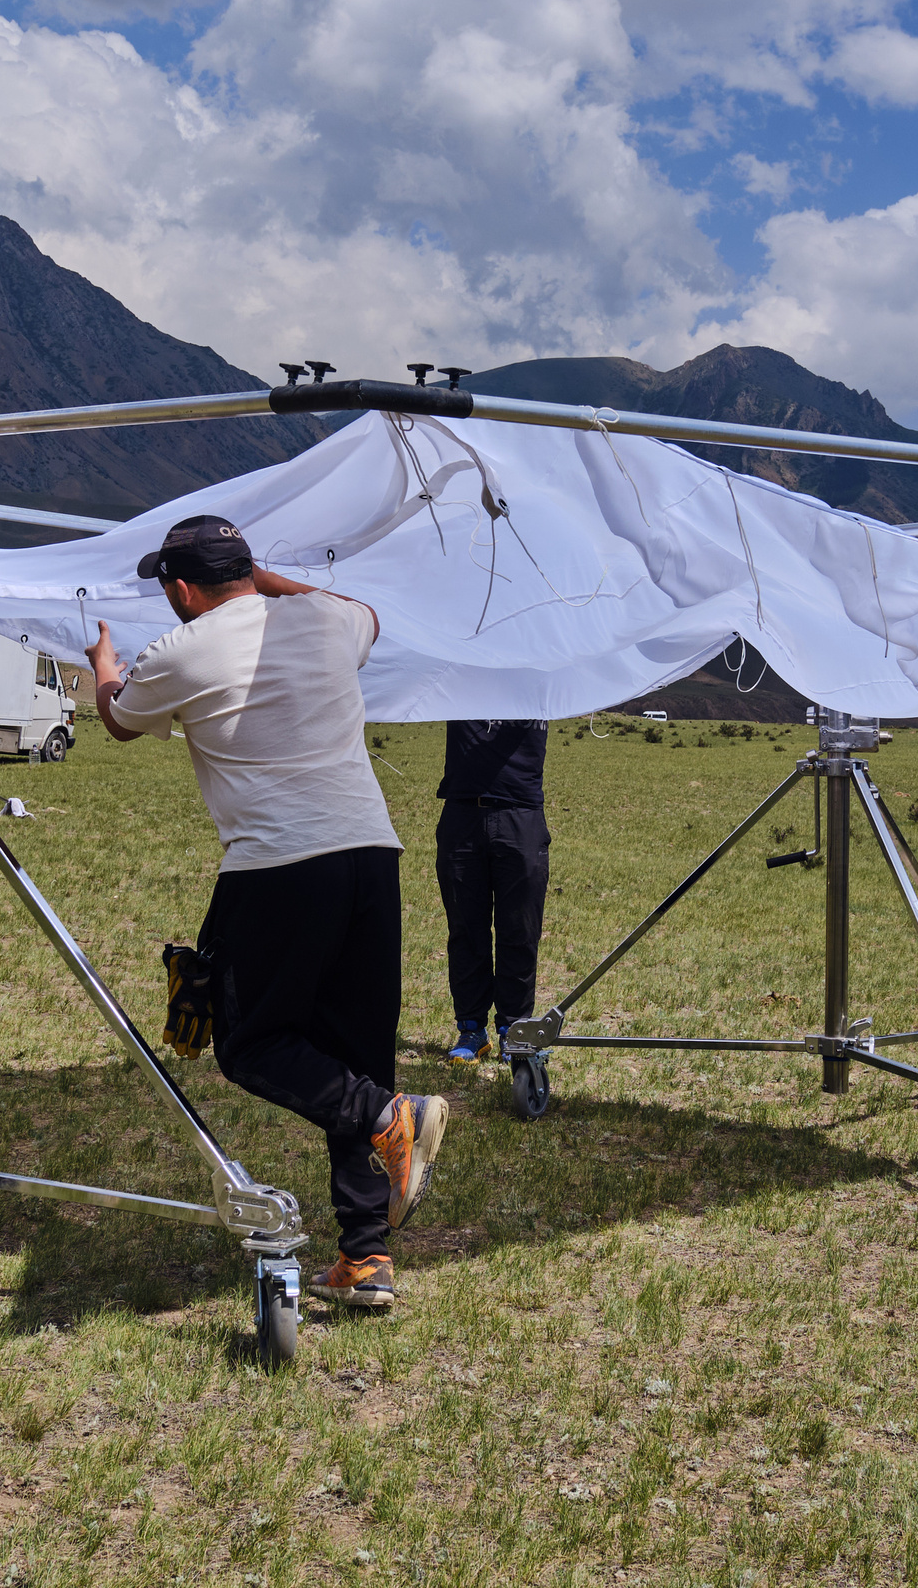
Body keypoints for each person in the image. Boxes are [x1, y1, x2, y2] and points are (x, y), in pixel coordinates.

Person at [88, 515, 449, 1312]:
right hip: (371, 855)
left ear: (183, 589)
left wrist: (103, 667)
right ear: (248, 571)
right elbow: (365, 613)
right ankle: (365, 1255)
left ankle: (389, 1117)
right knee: (355, 1052)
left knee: (251, 1043)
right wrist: (268, 582)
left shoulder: (180, 650)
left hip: (279, 865)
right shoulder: (327, 619)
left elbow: (118, 720)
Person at [435, 720, 551, 1061]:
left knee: (521, 929)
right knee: (466, 929)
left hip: (521, 812)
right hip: (462, 811)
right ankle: (471, 1029)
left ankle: (514, 1030)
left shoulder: (540, 687)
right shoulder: (461, 684)